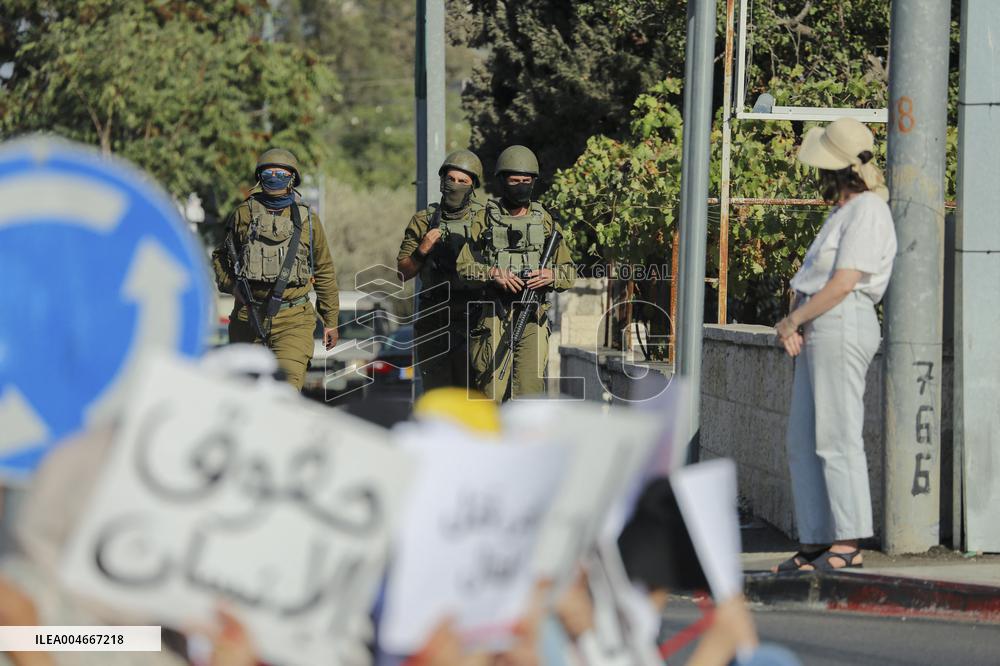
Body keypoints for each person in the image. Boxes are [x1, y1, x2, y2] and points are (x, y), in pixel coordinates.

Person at [772, 118, 896, 572]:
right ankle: (816, 539)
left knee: (837, 435)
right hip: (820, 322)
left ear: (838, 170)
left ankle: (848, 540)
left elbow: (844, 283)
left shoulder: (868, 211)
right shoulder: (843, 212)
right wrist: (799, 321)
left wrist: (793, 320)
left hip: (840, 321)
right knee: (803, 438)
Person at [211, 148, 340, 391]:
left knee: (285, 395)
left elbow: (323, 269)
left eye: (281, 172)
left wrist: (331, 321)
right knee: (244, 395)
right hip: (248, 316)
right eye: (269, 171)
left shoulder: (308, 219)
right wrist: (233, 286)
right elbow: (220, 257)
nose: (274, 175)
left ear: (292, 178)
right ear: (260, 176)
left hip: (294, 320)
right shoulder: (242, 214)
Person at [455, 145, 575, 402]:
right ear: (502, 181)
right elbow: (464, 267)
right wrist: (492, 272)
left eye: (526, 180)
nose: (521, 186)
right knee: (491, 394)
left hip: (532, 316)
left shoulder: (545, 222)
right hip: (493, 316)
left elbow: (568, 272)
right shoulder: (483, 220)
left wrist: (550, 276)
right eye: (514, 180)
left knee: (529, 397)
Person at [396, 150, 485, 392]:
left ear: (473, 185)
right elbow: (402, 272)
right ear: (442, 181)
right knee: (438, 395)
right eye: (451, 179)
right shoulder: (424, 219)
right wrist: (422, 250)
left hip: (476, 317)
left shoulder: (487, 219)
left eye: (463, 181)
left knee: (476, 396)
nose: (455, 186)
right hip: (434, 317)